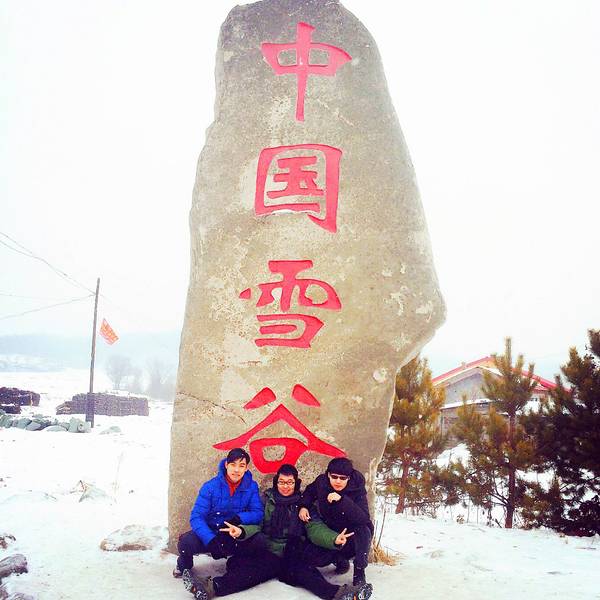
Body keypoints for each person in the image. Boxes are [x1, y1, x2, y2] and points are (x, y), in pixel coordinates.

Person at [184, 463, 372, 600]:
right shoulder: (267, 501)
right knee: (250, 573)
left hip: (293, 552)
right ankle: (211, 588)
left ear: (296, 483)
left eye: (290, 482)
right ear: (276, 483)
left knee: (307, 574)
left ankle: (340, 595)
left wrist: (333, 539)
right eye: (282, 482)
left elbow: (315, 528)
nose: (286, 486)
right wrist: (241, 531)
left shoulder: (302, 505)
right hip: (268, 551)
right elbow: (256, 523)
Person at [173, 448, 263, 578]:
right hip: (212, 532)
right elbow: (196, 517)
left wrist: (239, 519)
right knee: (186, 542)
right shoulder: (210, 487)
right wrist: (210, 540)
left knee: (258, 540)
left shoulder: (251, 486)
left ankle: (238, 564)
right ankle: (184, 564)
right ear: (226, 465)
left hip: (233, 533)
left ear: (246, 468)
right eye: (233, 464)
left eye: (241, 465)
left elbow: (258, 513)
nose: (236, 470)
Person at [299, 457, 374, 586]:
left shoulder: (357, 488)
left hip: (351, 534)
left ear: (349, 478)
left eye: (343, 478)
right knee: (311, 557)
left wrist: (342, 500)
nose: (338, 481)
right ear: (328, 475)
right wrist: (304, 506)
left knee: (364, 530)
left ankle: (359, 571)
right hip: (332, 532)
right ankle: (339, 559)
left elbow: (363, 518)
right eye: (334, 477)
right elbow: (309, 492)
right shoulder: (322, 482)